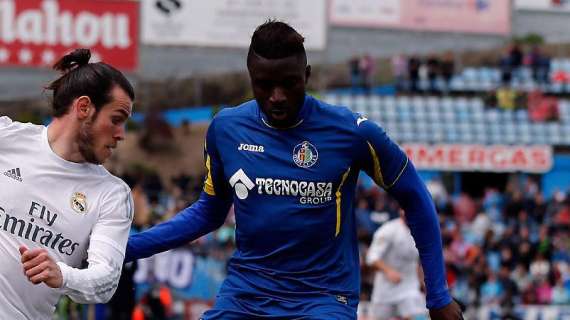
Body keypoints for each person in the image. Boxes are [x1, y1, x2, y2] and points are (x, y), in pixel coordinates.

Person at [126, 20, 463, 319]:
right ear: (251, 78)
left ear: (307, 75)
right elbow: (208, 213)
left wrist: (437, 295)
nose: (277, 97)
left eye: (289, 83)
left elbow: (415, 197)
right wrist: (126, 249)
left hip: (323, 299)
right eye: (264, 85)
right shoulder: (226, 129)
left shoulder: (352, 133)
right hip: (246, 295)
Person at [0, 48, 135, 319]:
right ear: (84, 108)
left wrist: (63, 274)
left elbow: (106, 279)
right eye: (116, 120)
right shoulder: (7, 139)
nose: (121, 135)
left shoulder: (112, 195)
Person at [366, 212, 427, 320]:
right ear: (401, 211)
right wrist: (388, 271)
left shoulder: (420, 232)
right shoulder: (388, 230)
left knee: (417, 315)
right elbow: (371, 257)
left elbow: (415, 262)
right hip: (385, 289)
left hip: (409, 286)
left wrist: (422, 282)